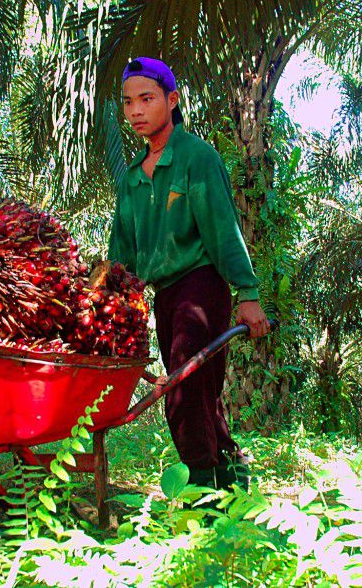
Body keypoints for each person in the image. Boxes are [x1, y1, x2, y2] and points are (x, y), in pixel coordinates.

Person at [107, 57, 270, 491]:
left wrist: (248, 293)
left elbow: (222, 230)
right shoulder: (131, 182)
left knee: (182, 392)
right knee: (200, 394)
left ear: (172, 100)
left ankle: (202, 493)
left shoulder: (196, 158)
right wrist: (108, 297)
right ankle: (232, 479)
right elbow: (122, 256)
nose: (136, 110)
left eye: (147, 99)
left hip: (202, 288)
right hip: (165, 297)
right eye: (128, 102)